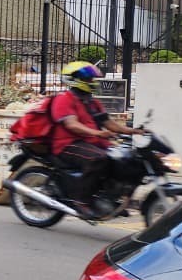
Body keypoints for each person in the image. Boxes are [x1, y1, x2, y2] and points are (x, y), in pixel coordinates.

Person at [49, 62, 141, 217]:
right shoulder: (64, 99)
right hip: (68, 144)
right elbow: (72, 125)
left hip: (89, 142)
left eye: (92, 79)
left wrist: (133, 131)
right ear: (74, 79)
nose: (92, 82)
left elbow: (108, 123)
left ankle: (109, 197)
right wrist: (97, 133)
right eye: (88, 79)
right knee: (99, 158)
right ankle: (81, 200)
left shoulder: (92, 102)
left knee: (123, 159)